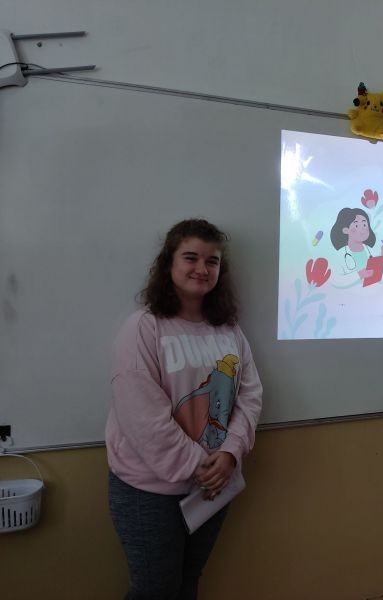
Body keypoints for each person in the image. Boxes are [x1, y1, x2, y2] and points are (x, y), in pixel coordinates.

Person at [106, 219, 263, 599]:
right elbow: (142, 416)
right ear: (169, 263)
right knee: (155, 589)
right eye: (190, 257)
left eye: (212, 261)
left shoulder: (229, 330)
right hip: (149, 489)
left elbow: (250, 395)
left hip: (215, 482)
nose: (202, 269)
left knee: (189, 581)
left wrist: (231, 452)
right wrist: (200, 466)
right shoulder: (144, 328)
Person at [330, 207, 383, 280]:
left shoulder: (370, 250)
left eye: (364, 225)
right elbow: (337, 277)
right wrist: (359, 275)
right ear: (346, 230)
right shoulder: (341, 254)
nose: (363, 229)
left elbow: (378, 271)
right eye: (356, 226)